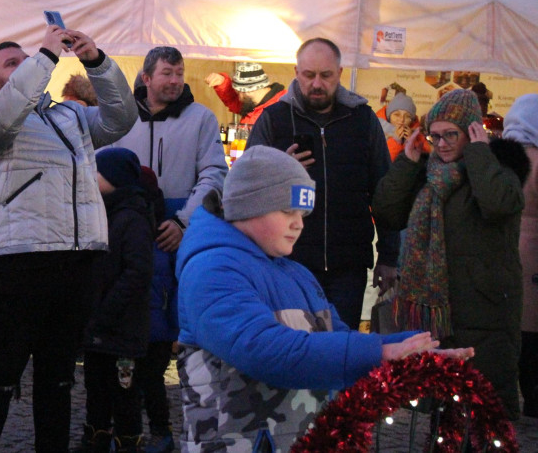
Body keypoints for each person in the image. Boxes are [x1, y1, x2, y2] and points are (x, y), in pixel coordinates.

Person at [176, 145, 472, 452]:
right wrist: (382, 352)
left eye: (303, 213)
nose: (299, 223)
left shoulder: (296, 273)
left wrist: (418, 354)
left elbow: (338, 339)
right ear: (250, 206)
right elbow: (264, 351)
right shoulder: (211, 269)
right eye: (286, 210)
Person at [0, 26, 137, 452]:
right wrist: (43, 55)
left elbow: (121, 118)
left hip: (76, 258)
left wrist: (96, 60)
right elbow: (0, 123)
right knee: (3, 370)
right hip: (20, 259)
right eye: (12, 62)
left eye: (27, 58)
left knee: (58, 376)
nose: (24, 64)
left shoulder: (71, 115)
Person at [373, 88, 528, 420]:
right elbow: (386, 212)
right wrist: (407, 162)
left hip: (484, 311)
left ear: (472, 132)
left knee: (482, 407)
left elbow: (499, 203)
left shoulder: (499, 170)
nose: (441, 143)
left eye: (450, 135)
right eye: (435, 135)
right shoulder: (427, 176)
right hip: (438, 312)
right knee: (444, 409)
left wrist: (478, 154)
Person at [112, 46, 227, 453]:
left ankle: (161, 430)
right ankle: (122, 429)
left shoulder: (201, 119)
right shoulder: (121, 116)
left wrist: (184, 222)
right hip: (124, 230)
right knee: (123, 336)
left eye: (179, 73)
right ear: (146, 78)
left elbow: (214, 174)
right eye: (167, 73)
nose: (175, 81)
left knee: (162, 336)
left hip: (175, 231)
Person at [247, 38, 396, 330]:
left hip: (347, 265)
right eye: (309, 75)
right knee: (294, 352)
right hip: (288, 262)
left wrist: (390, 255)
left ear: (339, 73)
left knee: (340, 353)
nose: (317, 83)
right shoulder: (274, 120)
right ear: (296, 72)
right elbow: (245, 189)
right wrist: (279, 170)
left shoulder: (362, 120)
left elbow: (384, 192)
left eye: (325, 75)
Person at [78, 148, 153, 453]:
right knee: (95, 390)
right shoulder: (102, 212)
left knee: (124, 396)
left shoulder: (132, 217)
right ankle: (95, 440)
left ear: (113, 178)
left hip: (122, 328)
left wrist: (106, 311)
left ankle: (127, 444)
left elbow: (137, 272)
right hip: (98, 327)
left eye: (97, 172)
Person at [503, 93, 538, 417]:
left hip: (509, 247)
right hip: (534, 251)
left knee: (519, 330)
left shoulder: (502, 156)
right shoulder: (536, 159)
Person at [204, 61, 284, 126]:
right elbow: (233, 100)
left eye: (239, 92)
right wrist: (222, 82)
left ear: (249, 91)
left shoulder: (282, 109)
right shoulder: (254, 102)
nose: (238, 97)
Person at [378, 91, 428, 162]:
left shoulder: (418, 134)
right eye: (397, 115)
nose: (401, 120)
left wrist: (412, 142)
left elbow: (423, 163)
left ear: (412, 120)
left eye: (407, 116)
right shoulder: (375, 132)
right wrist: (395, 141)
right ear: (389, 116)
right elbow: (382, 163)